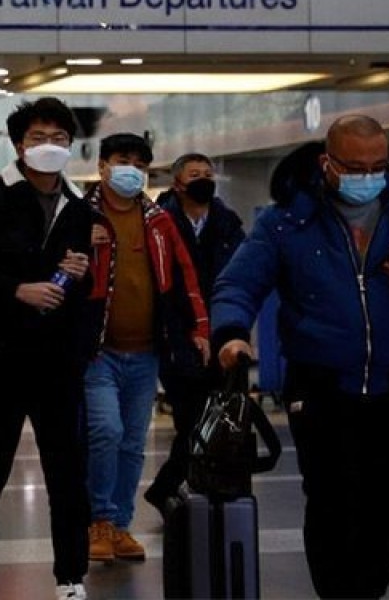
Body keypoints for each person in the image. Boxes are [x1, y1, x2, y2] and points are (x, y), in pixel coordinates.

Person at [212, 115, 389, 598]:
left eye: (378, 165)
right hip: (321, 384)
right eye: (354, 166)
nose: (367, 176)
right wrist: (230, 333)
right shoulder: (288, 220)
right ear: (327, 162)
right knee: (329, 500)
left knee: (383, 502)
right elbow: (238, 282)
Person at [0, 97, 93, 600]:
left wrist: (76, 276)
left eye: (58, 138)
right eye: (37, 138)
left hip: (59, 361)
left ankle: (71, 577)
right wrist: (16, 289)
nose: (48, 147)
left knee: (68, 474)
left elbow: (80, 277)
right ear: (17, 145)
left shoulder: (79, 206)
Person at [80, 134, 210, 563]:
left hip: (147, 349)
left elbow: (185, 275)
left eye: (139, 162)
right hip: (97, 350)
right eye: (122, 160)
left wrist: (200, 328)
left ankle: (119, 525)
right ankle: (98, 519)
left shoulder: (159, 221)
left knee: (134, 442)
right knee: (106, 431)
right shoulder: (81, 216)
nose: (131, 169)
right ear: (102, 166)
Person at [144, 152, 244, 517]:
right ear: (178, 183)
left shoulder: (227, 222)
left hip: (220, 333)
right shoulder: (158, 222)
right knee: (191, 418)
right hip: (177, 336)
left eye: (208, 173)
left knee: (213, 419)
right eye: (195, 174)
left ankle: (182, 487)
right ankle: (168, 487)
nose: (203, 179)